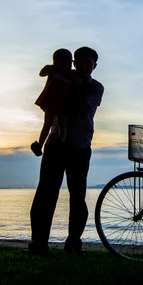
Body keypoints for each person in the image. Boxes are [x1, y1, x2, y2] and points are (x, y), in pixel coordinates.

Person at [28, 46, 104, 255]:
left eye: (89, 63)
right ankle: (38, 243)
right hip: (56, 145)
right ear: (74, 64)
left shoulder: (96, 87)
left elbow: (83, 107)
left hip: (80, 146)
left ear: (94, 66)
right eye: (80, 62)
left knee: (77, 197)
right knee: (45, 195)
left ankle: (73, 242)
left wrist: (68, 81)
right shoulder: (63, 76)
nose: (85, 66)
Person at [31, 48, 75, 157]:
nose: (68, 64)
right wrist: (53, 68)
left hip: (63, 102)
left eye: (69, 62)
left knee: (62, 121)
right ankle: (40, 145)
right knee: (47, 123)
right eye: (65, 61)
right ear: (56, 62)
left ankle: (61, 140)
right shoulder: (53, 71)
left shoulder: (71, 74)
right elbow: (42, 73)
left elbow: (78, 81)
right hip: (51, 101)